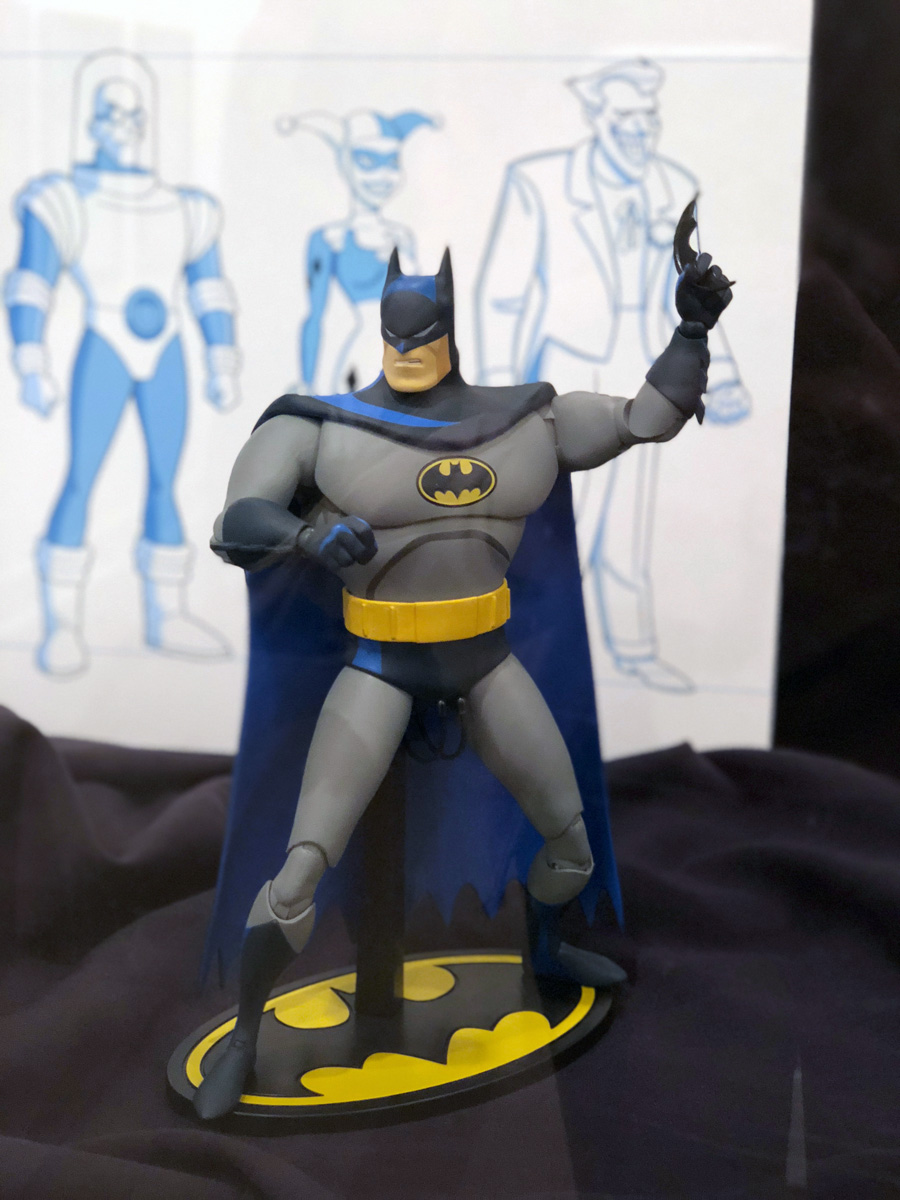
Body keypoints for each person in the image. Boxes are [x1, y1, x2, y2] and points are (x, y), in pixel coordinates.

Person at [193, 240, 733, 1119]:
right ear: (381, 331)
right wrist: (305, 536)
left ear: (448, 327)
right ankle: (247, 1036)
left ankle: (544, 949)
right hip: (378, 666)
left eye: (424, 335)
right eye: (397, 337)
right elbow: (236, 522)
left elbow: (646, 416)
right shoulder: (320, 425)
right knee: (298, 874)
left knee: (570, 843)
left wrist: (693, 331)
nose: (410, 351)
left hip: (486, 659)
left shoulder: (526, 420)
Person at [475, 60, 749, 691]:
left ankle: (633, 646)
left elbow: (700, 284)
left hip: (648, 363)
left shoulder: (672, 183)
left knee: (630, 518)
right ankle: (526, 647)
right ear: (598, 117)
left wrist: (724, 371)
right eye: (626, 116)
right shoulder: (540, 182)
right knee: (549, 514)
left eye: (648, 117)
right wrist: (492, 394)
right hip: (564, 366)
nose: (640, 130)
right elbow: (503, 296)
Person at [5, 51, 240, 674]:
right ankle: (61, 624)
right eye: (109, 113)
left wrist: (222, 357)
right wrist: (30, 358)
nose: (122, 126)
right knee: (82, 478)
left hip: (167, 350)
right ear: (90, 121)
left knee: (166, 481)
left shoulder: (186, 208)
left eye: (133, 115)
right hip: (105, 342)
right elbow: (31, 284)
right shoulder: (64, 200)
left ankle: (167, 613)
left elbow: (209, 290)